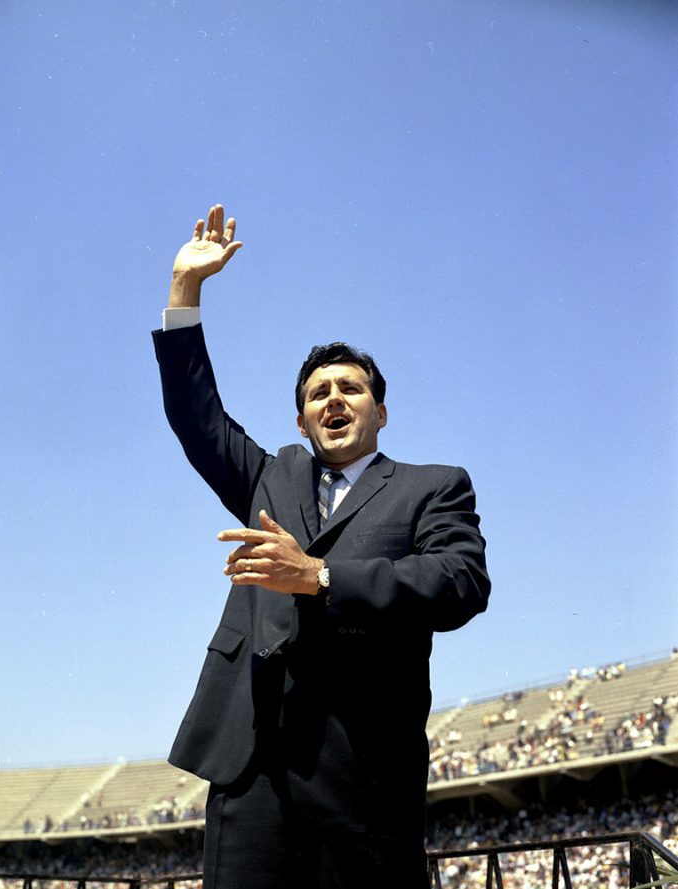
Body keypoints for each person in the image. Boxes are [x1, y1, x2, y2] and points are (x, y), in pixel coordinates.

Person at [152, 204, 491, 889]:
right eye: (316, 394)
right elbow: (198, 419)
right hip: (250, 769)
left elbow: (459, 582)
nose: (332, 399)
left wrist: (322, 575)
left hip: (361, 772)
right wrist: (184, 293)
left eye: (349, 388)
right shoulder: (270, 475)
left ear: (379, 410)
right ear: (302, 419)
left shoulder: (432, 486)